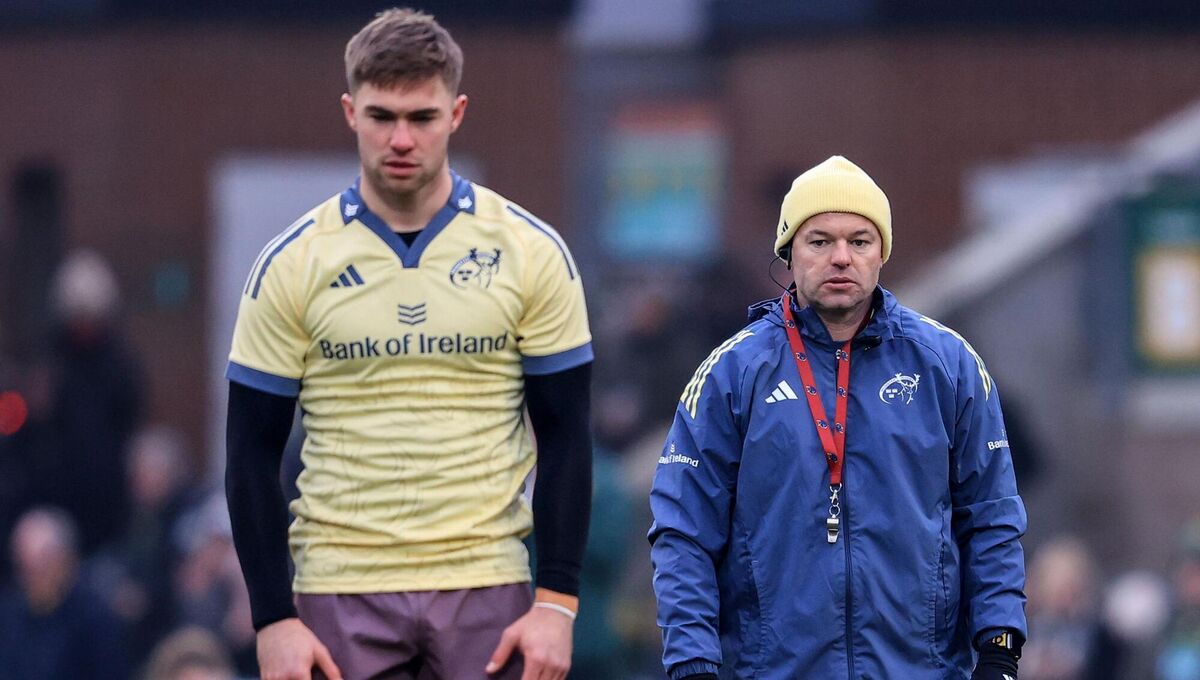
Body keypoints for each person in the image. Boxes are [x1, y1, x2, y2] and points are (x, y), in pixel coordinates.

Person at [223, 8, 593, 680]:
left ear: (456, 114)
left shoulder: (531, 252)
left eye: (421, 117)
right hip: (338, 584)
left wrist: (557, 604)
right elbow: (249, 452)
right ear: (350, 112)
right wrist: (273, 617)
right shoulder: (292, 264)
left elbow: (567, 436)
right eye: (381, 116)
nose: (400, 138)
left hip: (486, 580)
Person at [648, 156, 1028, 679]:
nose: (841, 257)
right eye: (820, 241)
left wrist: (999, 648)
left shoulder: (948, 364)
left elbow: (991, 517)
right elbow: (683, 531)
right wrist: (693, 663)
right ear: (789, 253)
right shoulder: (731, 374)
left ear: (882, 254)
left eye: (860, 241)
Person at [0, 506, 129, 680]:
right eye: (24, 567)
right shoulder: (9, 615)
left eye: (42, 565)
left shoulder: (95, 621)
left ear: (67, 560)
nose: (32, 577)